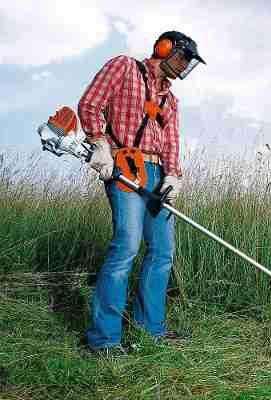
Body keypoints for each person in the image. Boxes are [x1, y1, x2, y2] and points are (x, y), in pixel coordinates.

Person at [77, 31, 206, 355]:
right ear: (165, 49)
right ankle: (104, 340)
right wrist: (99, 144)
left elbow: (172, 140)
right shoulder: (124, 67)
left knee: (162, 251)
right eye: (184, 58)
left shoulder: (171, 100)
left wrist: (173, 176)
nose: (186, 66)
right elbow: (90, 104)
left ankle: (151, 329)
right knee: (127, 246)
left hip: (157, 173)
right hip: (125, 164)